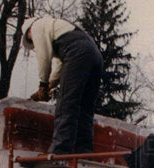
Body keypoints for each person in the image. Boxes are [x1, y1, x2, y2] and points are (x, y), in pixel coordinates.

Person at [22, 16, 103, 156]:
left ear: (28, 31)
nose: (33, 44)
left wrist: (43, 84)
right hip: (94, 55)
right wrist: (50, 86)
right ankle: (84, 153)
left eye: (31, 41)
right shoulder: (59, 28)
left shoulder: (37, 26)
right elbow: (61, 67)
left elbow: (43, 57)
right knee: (85, 109)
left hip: (77, 53)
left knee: (66, 104)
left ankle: (59, 150)